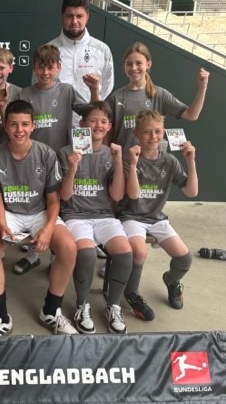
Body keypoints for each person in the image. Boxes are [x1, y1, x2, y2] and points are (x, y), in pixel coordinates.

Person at [0, 99, 78, 337]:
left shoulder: (47, 154)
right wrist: (1, 224)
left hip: (39, 212)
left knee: (68, 247)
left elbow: (53, 200)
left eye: (25, 124)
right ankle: (1, 318)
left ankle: (51, 311)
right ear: (5, 126)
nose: (19, 130)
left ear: (33, 126)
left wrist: (47, 229)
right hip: (9, 213)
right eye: (13, 124)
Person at [13, 44, 99, 274]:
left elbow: (92, 113)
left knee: (57, 205)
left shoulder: (67, 91)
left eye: (50, 67)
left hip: (60, 159)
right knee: (34, 205)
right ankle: (32, 256)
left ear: (59, 67)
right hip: (31, 159)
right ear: (34, 67)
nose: (45, 72)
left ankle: (54, 257)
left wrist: (94, 91)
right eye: (41, 67)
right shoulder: (24, 94)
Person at [58, 101, 133, 334]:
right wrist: (72, 168)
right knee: (87, 253)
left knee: (125, 252)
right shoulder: (66, 152)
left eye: (103, 121)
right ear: (82, 124)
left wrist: (118, 161)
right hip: (75, 215)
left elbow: (117, 195)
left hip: (103, 215)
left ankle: (113, 306)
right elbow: (64, 196)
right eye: (92, 120)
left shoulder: (111, 154)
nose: (97, 125)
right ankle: (82, 305)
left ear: (109, 126)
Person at [118, 110, 198, 320]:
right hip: (131, 216)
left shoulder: (170, 161)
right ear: (136, 133)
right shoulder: (130, 158)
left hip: (156, 218)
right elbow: (133, 195)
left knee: (184, 258)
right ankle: (131, 293)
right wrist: (133, 164)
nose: (153, 137)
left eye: (157, 131)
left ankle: (171, 280)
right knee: (140, 252)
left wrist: (191, 161)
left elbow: (191, 192)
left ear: (164, 133)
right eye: (147, 132)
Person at [107, 41, 209, 151]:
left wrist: (202, 87)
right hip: (123, 160)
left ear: (148, 64)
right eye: (129, 64)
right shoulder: (116, 98)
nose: (134, 68)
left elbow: (191, 115)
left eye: (138, 63)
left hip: (153, 160)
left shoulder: (160, 94)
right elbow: (107, 133)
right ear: (124, 66)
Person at [45, 0, 114, 103]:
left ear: (87, 17)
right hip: (55, 113)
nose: (74, 21)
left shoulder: (102, 50)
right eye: (69, 16)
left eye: (79, 16)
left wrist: (93, 106)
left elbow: (107, 85)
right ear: (62, 17)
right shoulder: (47, 50)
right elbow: (38, 87)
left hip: (90, 113)